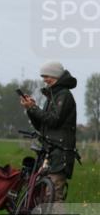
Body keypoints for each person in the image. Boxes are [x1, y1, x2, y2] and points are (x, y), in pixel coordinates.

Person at [19, 61, 78, 201]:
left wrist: (34, 108)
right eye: (43, 76)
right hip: (49, 152)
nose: (44, 79)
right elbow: (41, 126)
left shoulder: (64, 95)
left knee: (54, 196)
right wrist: (30, 109)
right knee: (43, 195)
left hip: (60, 153)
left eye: (47, 76)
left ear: (56, 75)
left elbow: (54, 120)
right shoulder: (51, 96)